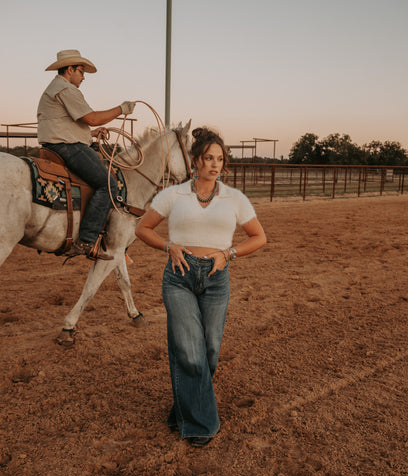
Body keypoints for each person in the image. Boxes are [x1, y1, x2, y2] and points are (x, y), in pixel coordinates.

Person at [135, 127, 266, 447]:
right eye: (209, 158)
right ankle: (200, 426)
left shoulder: (235, 198)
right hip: (178, 278)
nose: (215, 164)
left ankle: (182, 409)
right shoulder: (172, 195)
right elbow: (142, 228)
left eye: (220, 159)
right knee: (189, 350)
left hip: (216, 279)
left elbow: (259, 237)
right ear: (195, 161)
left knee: (208, 353)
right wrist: (169, 246)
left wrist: (228, 253)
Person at [37, 49, 136, 260]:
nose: (83, 77)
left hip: (59, 143)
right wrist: (122, 108)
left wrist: (89, 134)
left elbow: (66, 124)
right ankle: (87, 240)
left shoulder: (56, 89)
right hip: (66, 147)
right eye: (81, 71)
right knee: (108, 183)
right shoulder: (66, 89)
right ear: (69, 70)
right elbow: (92, 118)